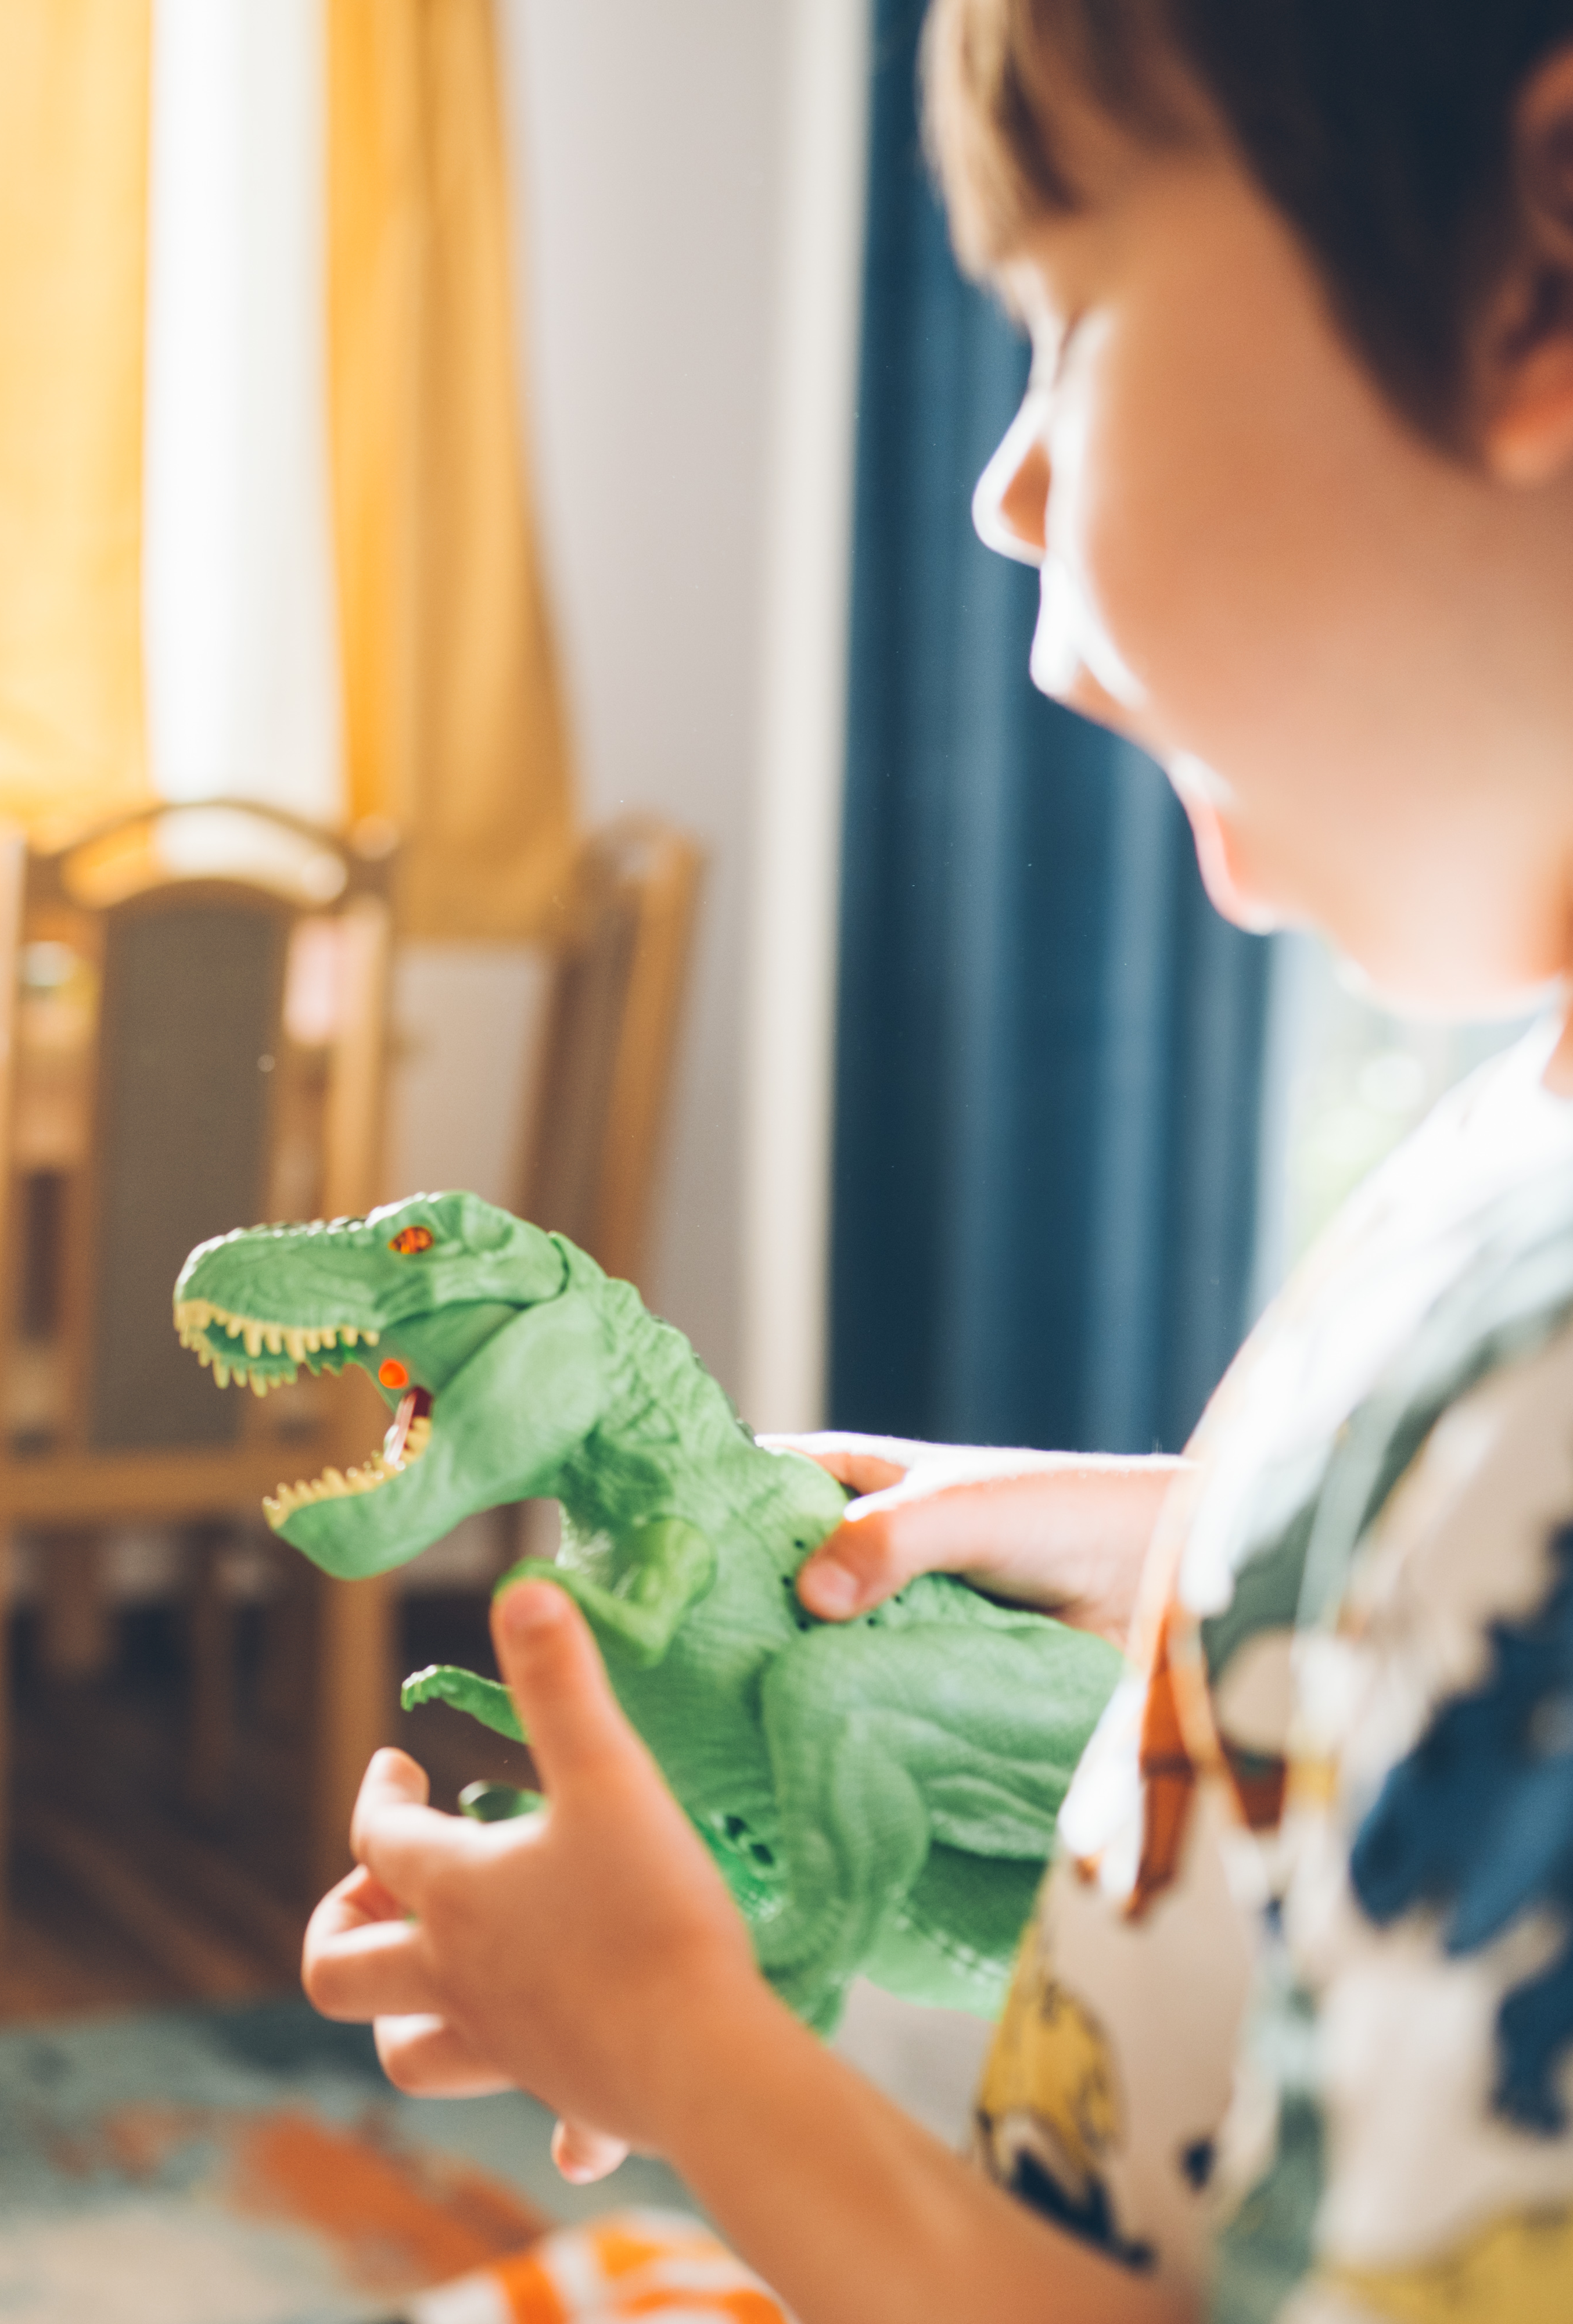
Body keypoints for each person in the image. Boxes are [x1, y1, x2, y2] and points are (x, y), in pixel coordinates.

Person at [301, 3, 1573, 2317]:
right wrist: (1203, 1561)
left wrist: (687, 2046)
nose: (999, 487)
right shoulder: (1527, 1145)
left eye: (1070, 311)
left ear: (1540, 278)